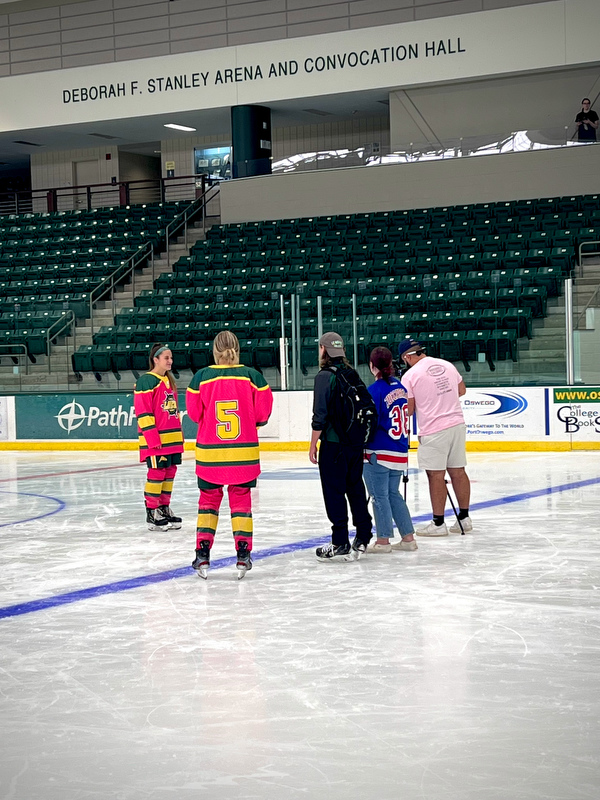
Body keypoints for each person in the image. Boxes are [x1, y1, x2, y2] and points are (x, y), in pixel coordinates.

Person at [186, 331, 273, 579]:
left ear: (214, 350)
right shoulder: (253, 377)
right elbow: (263, 415)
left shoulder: (201, 378)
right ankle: (243, 555)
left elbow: (194, 414)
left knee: (208, 503)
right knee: (241, 502)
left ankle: (202, 554)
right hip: (243, 454)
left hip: (210, 456)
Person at [309, 332, 373, 561]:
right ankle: (363, 535)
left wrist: (313, 444)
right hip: (355, 443)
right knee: (355, 488)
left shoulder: (324, 376)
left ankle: (339, 542)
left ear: (324, 350)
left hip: (334, 445)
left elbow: (320, 416)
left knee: (334, 493)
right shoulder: (351, 373)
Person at [399, 339, 471, 537]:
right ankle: (464, 518)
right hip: (457, 424)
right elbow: (462, 390)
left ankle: (438, 523)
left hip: (433, 429)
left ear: (407, 357)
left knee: (436, 475)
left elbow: (410, 410)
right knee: (458, 471)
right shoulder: (447, 365)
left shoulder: (410, 375)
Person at [363, 347, 417, 553]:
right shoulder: (401, 387)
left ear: (372, 365)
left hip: (379, 451)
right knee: (393, 494)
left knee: (379, 496)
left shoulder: (375, 390)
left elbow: (370, 422)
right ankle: (408, 537)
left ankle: (383, 540)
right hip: (400, 449)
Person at [133, 343, 184, 531]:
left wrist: (180, 435)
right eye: (166, 358)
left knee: (169, 472)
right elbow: (143, 412)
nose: (170, 361)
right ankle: (151, 511)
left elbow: (174, 411)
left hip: (171, 439)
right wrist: (152, 439)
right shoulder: (146, 381)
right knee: (156, 473)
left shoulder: (170, 381)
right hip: (156, 440)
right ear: (156, 360)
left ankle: (163, 508)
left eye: (171, 358)